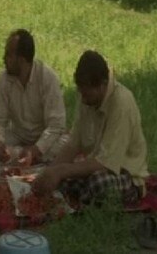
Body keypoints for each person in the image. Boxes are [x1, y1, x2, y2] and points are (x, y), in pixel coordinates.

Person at [32, 50, 149, 207]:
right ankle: (80, 199)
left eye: (87, 94)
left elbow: (105, 163)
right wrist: (51, 171)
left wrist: (61, 171)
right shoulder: (87, 98)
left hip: (124, 174)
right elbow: (73, 144)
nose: (83, 98)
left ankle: (82, 200)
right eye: (81, 92)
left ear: (102, 85)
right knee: (55, 178)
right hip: (94, 166)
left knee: (98, 183)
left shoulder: (121, 103)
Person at [0, 29, 67, 167]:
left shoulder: (47, 77)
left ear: (22, 60)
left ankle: (25, 157)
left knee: (65, 146)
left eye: (8, 55)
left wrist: (36, 149)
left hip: (44, 139)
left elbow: (56, 126)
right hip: (18, 136)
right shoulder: (3, 79)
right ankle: (25, 157)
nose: (4, 58)